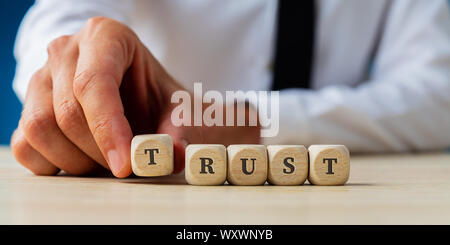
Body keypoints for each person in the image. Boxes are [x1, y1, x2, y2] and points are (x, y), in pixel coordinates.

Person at [10, 0, 450, 178]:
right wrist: (70, 75)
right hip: (153, 184)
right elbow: (64, 21)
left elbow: (439, 93)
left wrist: (242, 120)